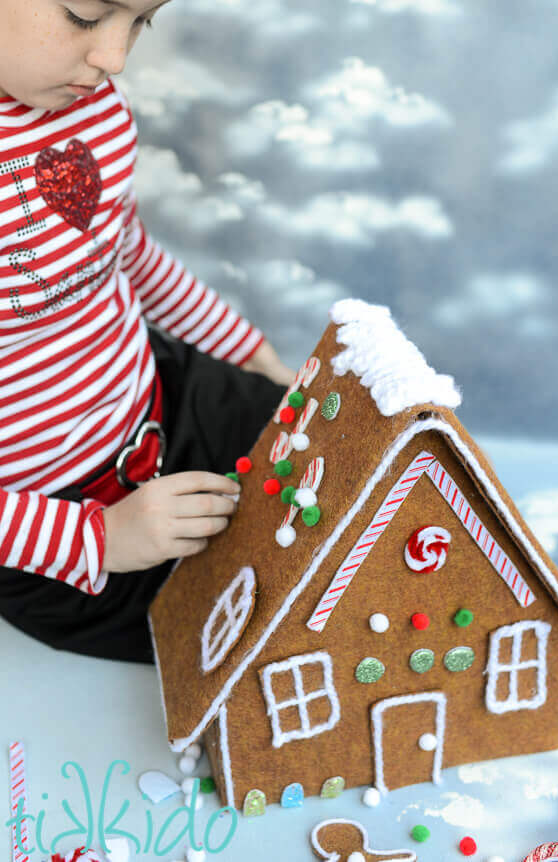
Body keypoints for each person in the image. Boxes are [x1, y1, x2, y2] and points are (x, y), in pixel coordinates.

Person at [0, 0, 293, 663]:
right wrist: (97, 539)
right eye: (83, 15)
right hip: (55, 527)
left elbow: (125, 254)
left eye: (139, 23)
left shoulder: (94, 108)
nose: (115, 57)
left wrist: (247, 351)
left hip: (163, 396)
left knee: (337, 473)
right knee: (247, 634)